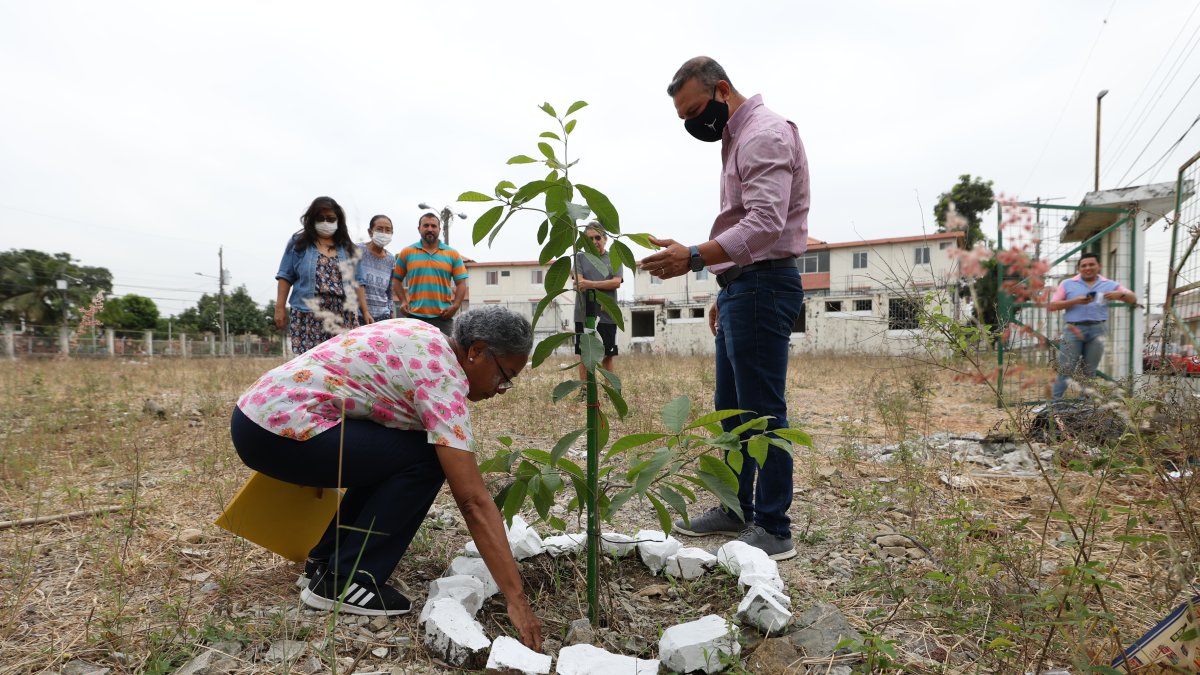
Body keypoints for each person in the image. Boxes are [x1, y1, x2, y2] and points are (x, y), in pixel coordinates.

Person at [229, 307, 542, 649]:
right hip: (280, 431)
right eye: (505, 375)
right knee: (428, 458)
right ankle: (346, 580)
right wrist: (517, 597)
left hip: (257, 416)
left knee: (404, 449)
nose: (501, 389)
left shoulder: (420, 332)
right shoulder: (443, 379)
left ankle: (325, 562)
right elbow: (472, 500)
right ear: (477, 351)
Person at [639, 56, 809, 561]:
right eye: (684, 118)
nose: (694, 124)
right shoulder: (738, 139)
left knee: (763, 413)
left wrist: (693, 256)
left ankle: (774, 527)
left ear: (722, 90)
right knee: (732, 413)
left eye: (696, 111)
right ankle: (736, 508)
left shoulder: (762, 135)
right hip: (743, 286)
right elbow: (745, 230)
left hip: (764, 286)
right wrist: (723, 283)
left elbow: (764, 225)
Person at [274, 197, 371, 355]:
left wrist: (365, 312)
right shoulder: (298, 244)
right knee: (309, 365)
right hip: (307, 317)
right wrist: (279, 308)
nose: (326, 222)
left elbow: (359, 282)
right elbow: (285, 276)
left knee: (340, 364)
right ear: (312, 220)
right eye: (321, 218)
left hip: (342, 316)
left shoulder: (349, 249)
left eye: (331, 219)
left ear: (338, 221)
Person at [1047, 252, 1136, 400]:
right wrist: (1074, 301)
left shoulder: (1110, 284)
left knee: (1089, 371)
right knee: (1065, 369)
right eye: (1084, 265)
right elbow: (1052, 305)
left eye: (1091, 264)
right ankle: (1053, 405)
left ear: (1099, 266)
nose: (1088, 267)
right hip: (1073, 330)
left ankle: (1085, 407)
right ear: (1079, 268)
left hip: (1098, 330)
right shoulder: (1067, 284)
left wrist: (1119, 295)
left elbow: (1133, 298)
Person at [392, 212, 468, 335]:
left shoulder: (452, 254)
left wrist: (455, 306)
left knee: (447, 353)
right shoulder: (407, 252)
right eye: (426, 225)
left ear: (439, 229)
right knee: (415, 353)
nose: (430, 229)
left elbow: (461, 283)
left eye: (433, 226)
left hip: (443, 318)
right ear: (419, 228)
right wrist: (404, 301)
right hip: (414, 318)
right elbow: (396, 280)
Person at [574, 222, 622, 381]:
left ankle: (610, 390)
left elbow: (616, 282)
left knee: (608, 355)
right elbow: (579, 284)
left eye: (597, 237)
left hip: (607, 315)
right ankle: (584, 389)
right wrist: (597, 285)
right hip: (583, 315)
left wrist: (590, 284)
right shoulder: (579, 257)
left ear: (605, 239)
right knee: (584, 355)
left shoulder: (614, 258)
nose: (594, 241)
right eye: (590, 238)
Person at [357, 215, 396, 323]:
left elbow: (389, 290)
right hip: (359, 316)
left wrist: (391, 312)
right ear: (370, 232)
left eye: (388, 230)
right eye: (379, 229)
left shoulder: (391, 259)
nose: (384, 233)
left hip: (383, 316)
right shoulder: (357, 250)